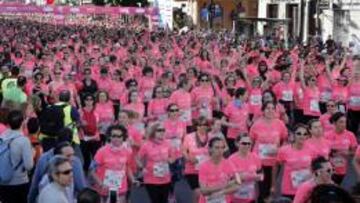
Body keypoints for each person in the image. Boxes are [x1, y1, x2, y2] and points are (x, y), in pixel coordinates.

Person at [249, 101, 288, 202]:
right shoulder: (256, 125)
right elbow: (251, 142)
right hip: (260, 161)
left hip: (274, 161)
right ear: (263, 111)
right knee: (262, 186)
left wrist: (280, 150)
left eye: (272, 108)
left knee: (272, 186)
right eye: (267, 108)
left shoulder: (280, 124)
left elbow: (285, 139)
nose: (270, 111)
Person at [90, 125, 136, 203]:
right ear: (109, 137)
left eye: (119, 136)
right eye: (114, 136)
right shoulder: (101, 151)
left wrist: (132, 179)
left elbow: (127, 167)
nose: (116, 138)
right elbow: (92, 170)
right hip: (105, 189)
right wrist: (101, 184)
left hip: (120, 188)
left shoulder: (127, 151)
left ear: (123, 137)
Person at [0, 110, 34, 203]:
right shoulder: (23, 141)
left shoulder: (2, 137)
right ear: (22, 122)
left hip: (3, 180)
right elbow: (29, 165)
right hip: (19, 182)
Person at [276, 124, 314, 200]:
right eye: (299, 133)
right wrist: (273, 184)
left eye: (305, 134)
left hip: (305, 189)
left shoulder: (312, 149)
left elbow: (314, 167)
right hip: (288, 189)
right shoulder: (284, 150)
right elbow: (277, 165)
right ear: (293, 135)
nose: (302, 136)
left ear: (307, 136)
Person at [138, 123, 174, 203]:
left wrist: (170, 160)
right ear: (153, 132)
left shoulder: (168, 143)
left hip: (165, 178)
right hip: (151, 179)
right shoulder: (146, 145)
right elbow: (138, 158)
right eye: (159, 130)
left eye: (163, 130)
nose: (162, 132)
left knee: (164, 201)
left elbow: (173, 158)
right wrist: (142, 168)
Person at [198, 137, 241, 203]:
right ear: (210, 149)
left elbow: (238, 184)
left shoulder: (229, 164)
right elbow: (204, 191)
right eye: (217, 147)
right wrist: (224, 186)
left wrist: (222, 192)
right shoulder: (203, 166)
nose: (220, 150)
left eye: (222, 147)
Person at [227, 134, 263, 203]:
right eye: (244, 143)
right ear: (237, 143)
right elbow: (229, 179)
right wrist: (251, 176)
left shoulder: (255, 157)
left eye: (249, 143)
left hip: (251, 197)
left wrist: (246, 176)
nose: (247, 146)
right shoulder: (231, 159)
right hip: (235, 198)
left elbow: (261, 176)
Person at [182, 117, 211, 203]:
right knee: (198, 192)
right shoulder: (189, 137)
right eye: (200, 125)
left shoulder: (211, 137)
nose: (202, 127)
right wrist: (188, 158)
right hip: (192, 169)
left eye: (205, 125)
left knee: (205, 193)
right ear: (196, 126)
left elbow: (217, 150)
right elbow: (183, 151)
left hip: (207, 169)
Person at [325, 112, 357, 184]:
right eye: (341, 122)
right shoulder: (326, 135)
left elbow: (356, 152)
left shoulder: (350, 135)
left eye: (345, 122)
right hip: (330, 170)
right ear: (334, 123)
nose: (344, 124)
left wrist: (347, 153)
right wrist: (331, 152)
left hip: (344, 170)